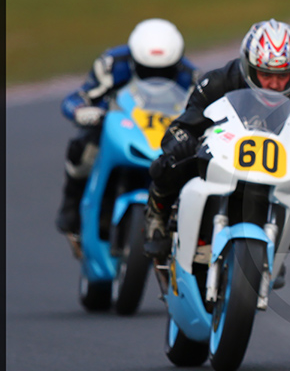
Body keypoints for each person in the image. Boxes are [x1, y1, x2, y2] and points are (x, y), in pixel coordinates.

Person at [143, 18, 290, 288]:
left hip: (276, 164)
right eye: (266, 74)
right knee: (170, 163)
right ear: (249, 67)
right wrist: (179, 139)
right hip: (221, 151)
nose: (273, 84)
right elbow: (185, 123)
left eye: (282, 76)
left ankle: (280, 248)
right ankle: (158, 212)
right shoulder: (218, 80)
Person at [55, 18, 200, 236]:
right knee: (83, 148)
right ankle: (71, 206)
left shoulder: (190, 78)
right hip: (120, 126)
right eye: (147, 70)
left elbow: (200, 111)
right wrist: (81, 111)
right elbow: (80, 96)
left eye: (165, 71)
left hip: (162, 135)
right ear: (134, 61)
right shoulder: (112, 65)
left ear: (177, 63)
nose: (156, 78)